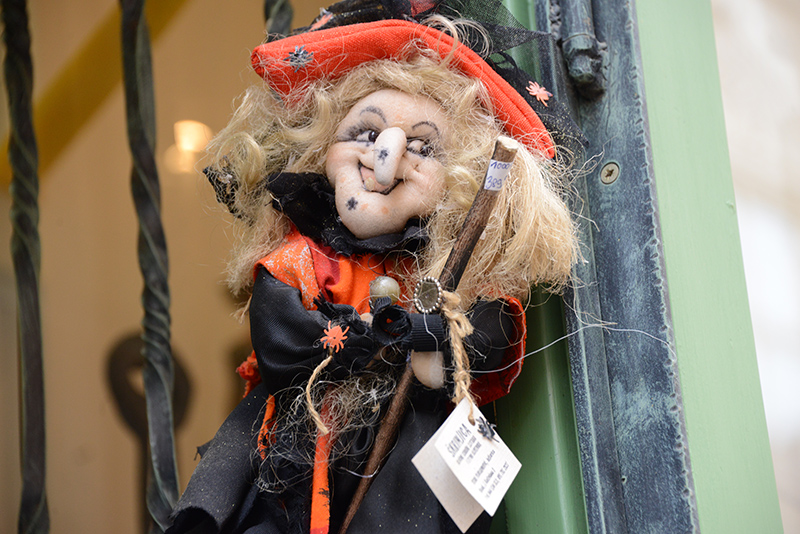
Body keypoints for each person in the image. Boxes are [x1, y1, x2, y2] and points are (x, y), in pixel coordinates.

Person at [168, 7, 577, 534]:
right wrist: (368, 339)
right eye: (364, 132)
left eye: (423, 147)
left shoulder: (449, 273)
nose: (387, 156)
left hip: (404, 463)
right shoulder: (300, 259)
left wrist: (429, 340)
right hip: (300, 454)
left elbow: (489, 333)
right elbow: (280, 339)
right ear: (321, 142)